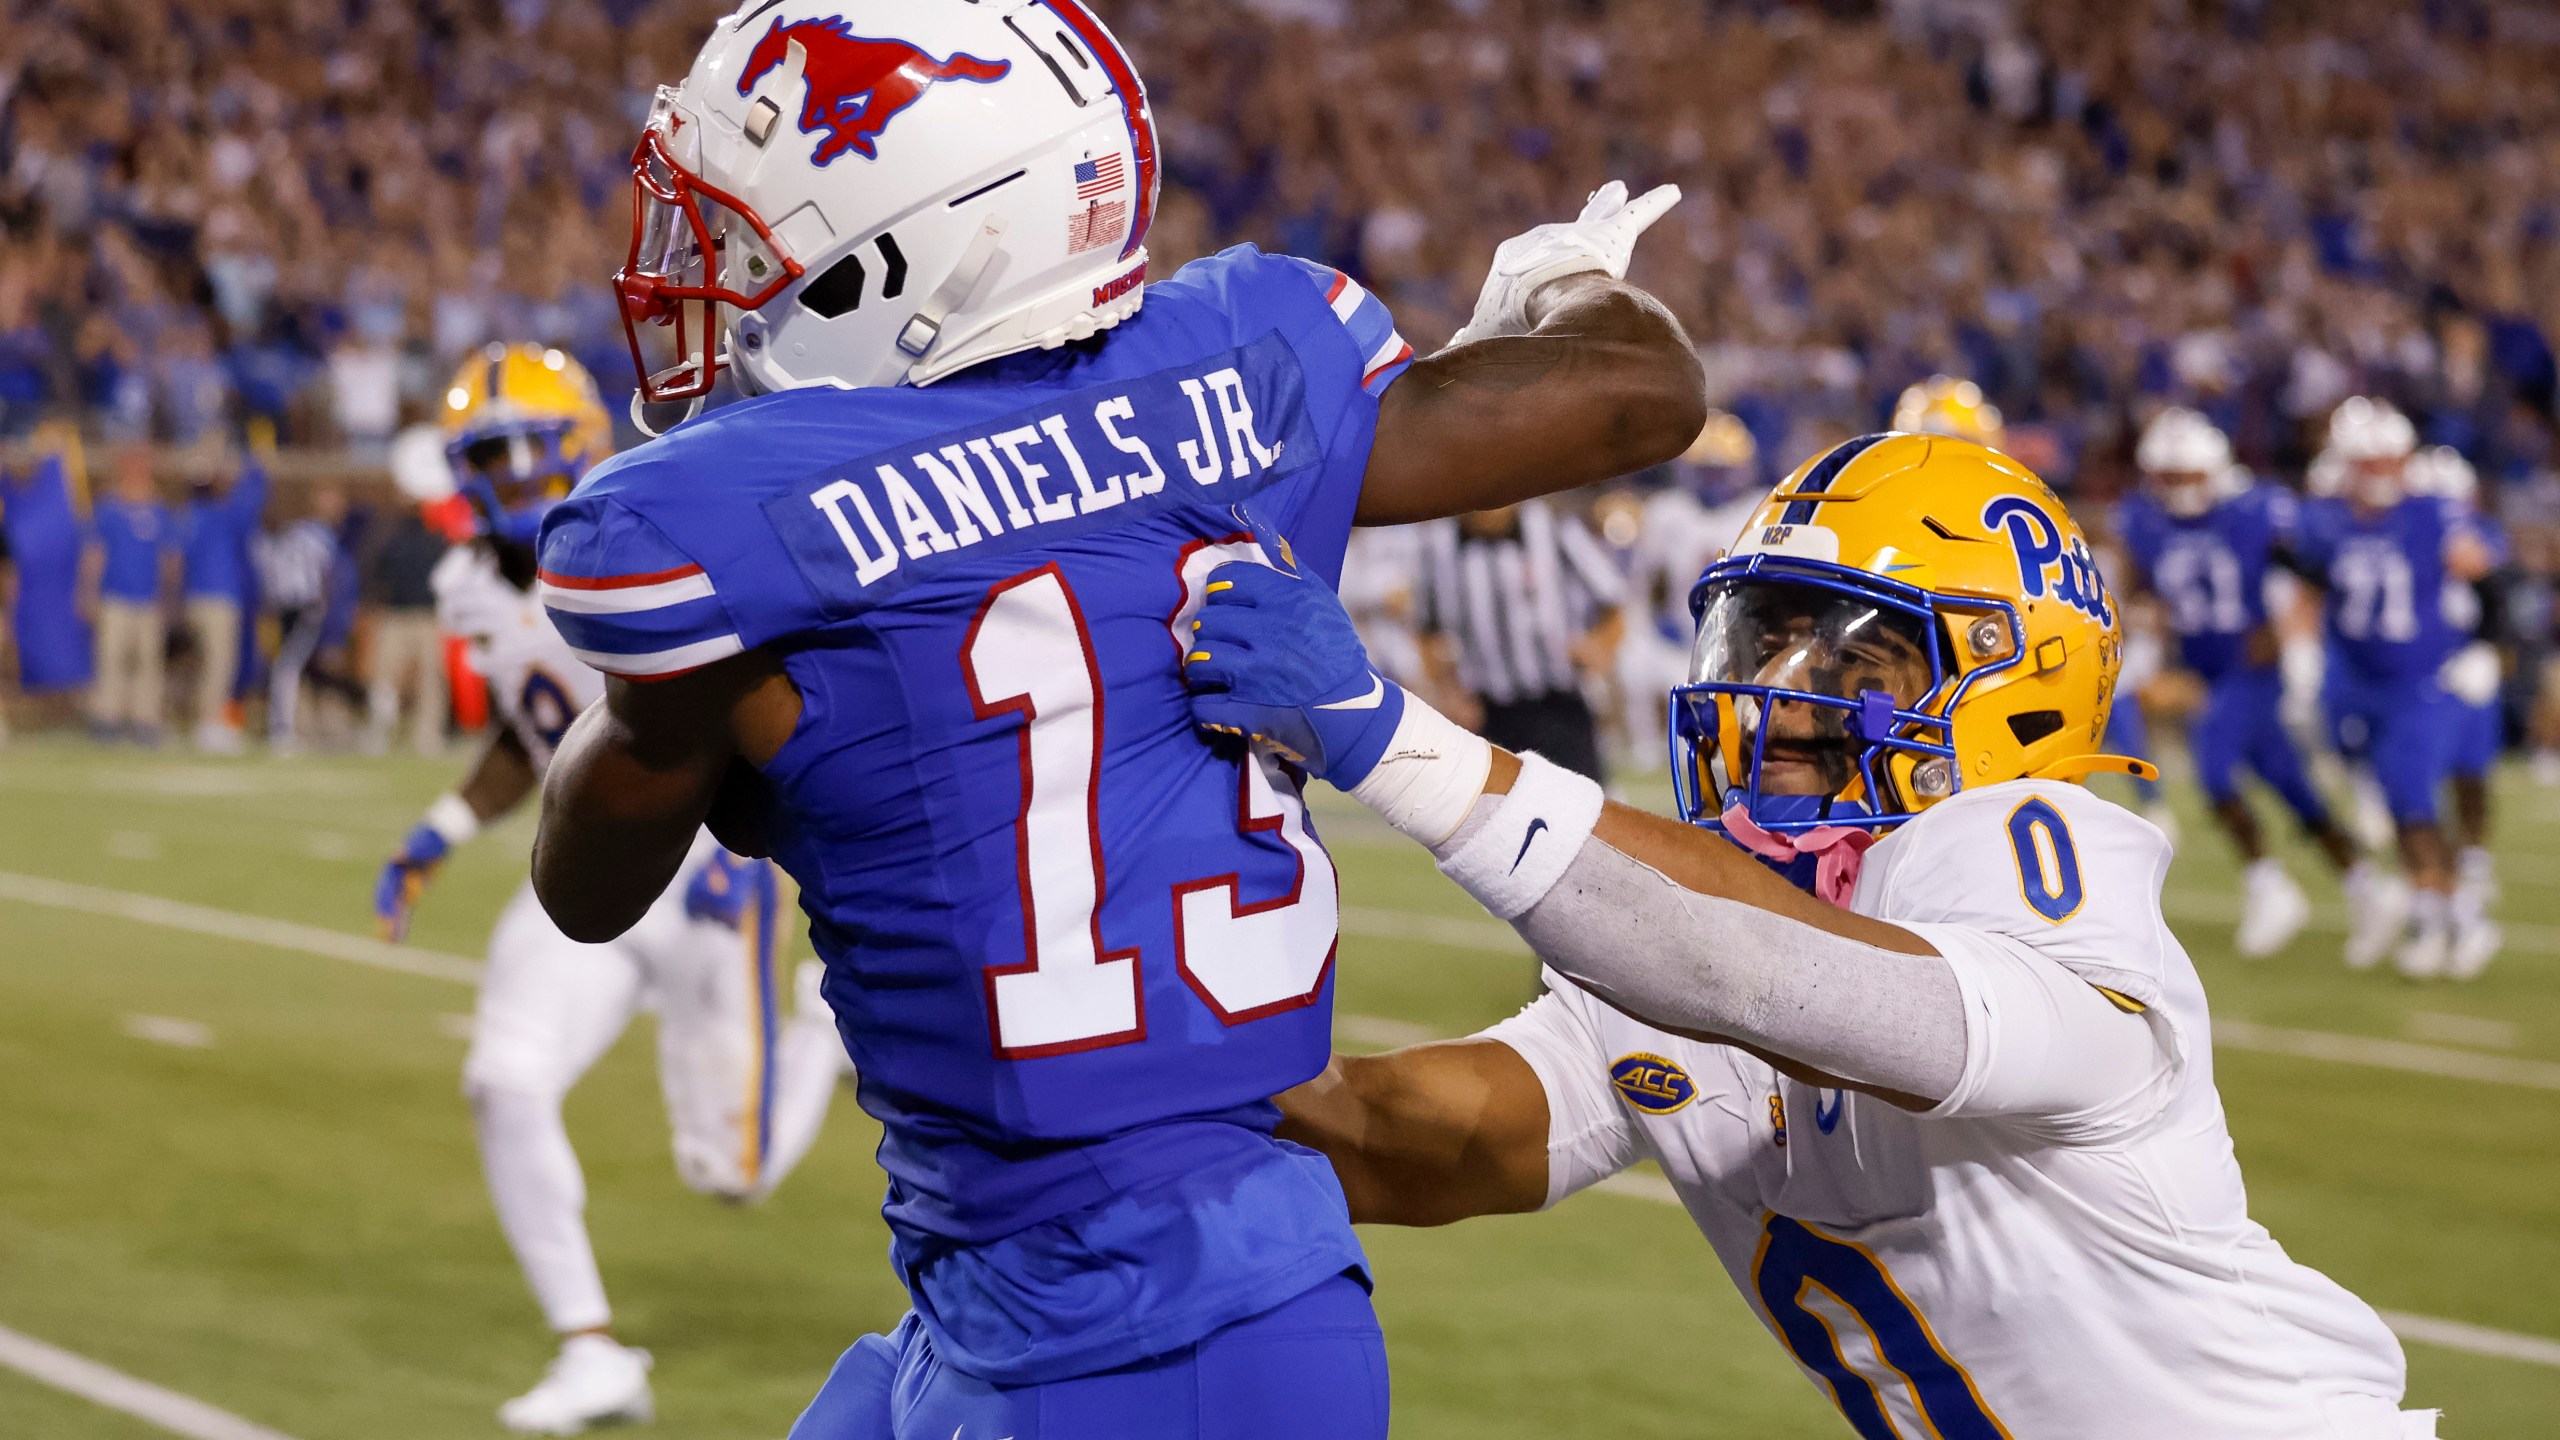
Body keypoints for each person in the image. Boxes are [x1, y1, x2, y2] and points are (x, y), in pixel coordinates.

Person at [527, 6, 1703, 1436]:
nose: (706, 274)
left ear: (915, 247)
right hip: (1097, 1294)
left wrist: (673, 716)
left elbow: (584, 882)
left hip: (1140, 1335)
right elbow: (1643, 391)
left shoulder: (753, 521)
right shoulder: (1239, 380)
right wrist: (1563, 284)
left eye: (748, 239)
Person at [1182, 434, 2428, 1439]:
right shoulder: (1701, 926)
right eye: (1765, 636)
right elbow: (1429, 1146)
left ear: (2012, 677)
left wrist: (1391, 741)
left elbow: (1801, 989)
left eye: (1853, 652)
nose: (1779, 686)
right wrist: (1112, 1091)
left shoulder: (2027, 848)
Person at [377, 344, 847, 1434]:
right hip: (581, 864)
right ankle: (591, 1350)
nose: (505, 474)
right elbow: (535, 725)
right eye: (484, 454)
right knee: (504, 1077)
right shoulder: (463, 583)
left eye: (520, 449)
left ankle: (818, 1023)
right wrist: (440, 830)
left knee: (732, 1175)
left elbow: (750, 693)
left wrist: (758, 848)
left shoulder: (646, 537)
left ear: (578, 444)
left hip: (701, 872)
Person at [2114, 408, 2368, 958]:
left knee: (2213, 770)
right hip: (2204, 667)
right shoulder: (2144, 519)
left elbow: (2308, 577)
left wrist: (2299, 643)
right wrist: (2146, 641)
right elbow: (2142, 590)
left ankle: (2267, 883)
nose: (2180, 488)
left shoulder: (2255, 511)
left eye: (2190, 476)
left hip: (2252, 666)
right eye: (2170, 477)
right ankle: (2365, 883)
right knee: (2292, 787)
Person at [2291, 399, 2496, 979]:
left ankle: (2454, 910)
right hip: (2357, 680)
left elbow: (2480, 563)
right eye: (2370, 462)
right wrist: (2304, 651)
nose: (2381, 473)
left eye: (2390, 462)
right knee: (2400, 804)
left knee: (2412, 802)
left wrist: (2481, 641)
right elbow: (2309, 584)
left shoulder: (2434, 511)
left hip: (2420, 683)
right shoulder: (2325, 518)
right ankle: (2440, 908)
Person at [1415, 498, 1627, 783]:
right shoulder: (1438, 545)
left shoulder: (1551, 526)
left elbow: (1612, 598)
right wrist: (1449, 693)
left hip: (1558, 702)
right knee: (1493, 819)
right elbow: (1426, 629)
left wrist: (1598, 647)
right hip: (1485, 713)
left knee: (1586, 811)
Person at [2404, 444, 2506, 979]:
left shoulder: (2476, 531)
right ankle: (2442, 906)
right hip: (2419, 677)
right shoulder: (2401, 531)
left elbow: (2497, 588)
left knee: (2470, 776)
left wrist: (2488, 649)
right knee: (2418, 789)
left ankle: (2468, 868)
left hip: (2464, 673)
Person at [85, 447, 178, 744]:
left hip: (148, 598)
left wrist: (169, 597)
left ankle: (145, 719)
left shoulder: (160, 511)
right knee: (111, 658)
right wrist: (87, 590)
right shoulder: (109, 509)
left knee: (148, 661)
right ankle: (107, 718)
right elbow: (95, 553)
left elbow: (169, 559)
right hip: (115, 596)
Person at [177, 455, 268, 753]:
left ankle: (204, 719)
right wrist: (253, 463)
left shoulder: (188, 515)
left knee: (206, 664)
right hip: (218, 598)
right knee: (219, 664)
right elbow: (255, 494)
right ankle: (210, 723)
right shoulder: (224, 514)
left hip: (193, 597)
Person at [257, 485, 348, 753]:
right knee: (289, 669)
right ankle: (284, 728)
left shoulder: (291, 533)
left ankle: (294, 727)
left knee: (293, 668)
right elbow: (328, 577)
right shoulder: (318, 536)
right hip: (304, 605)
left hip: (286, 604)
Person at [363, 500, 454, 755]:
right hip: (407, 616)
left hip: (417, 616)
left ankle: (422, 735)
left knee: (424, 679)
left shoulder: (418, 542)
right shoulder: (424, 542)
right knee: (392, 678)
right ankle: (391, 731)